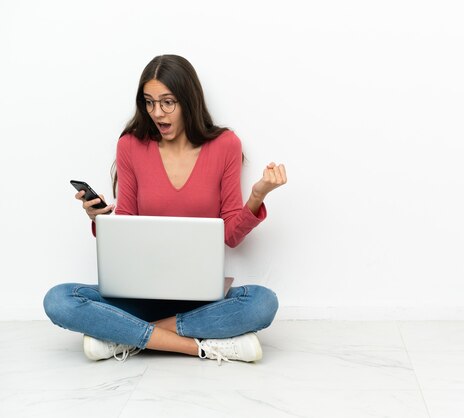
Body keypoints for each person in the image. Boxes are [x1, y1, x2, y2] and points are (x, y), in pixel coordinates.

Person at [43, 55, 286, 364]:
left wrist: (256, 195)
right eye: (149, 102)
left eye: (168, 102)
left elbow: (232, 236)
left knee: (262, 303)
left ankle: (124, 338)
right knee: (60, 300)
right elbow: (127, 226)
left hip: (200, 301)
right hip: (139, 296)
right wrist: (101, 220)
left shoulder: (225, 145)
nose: (157, 113)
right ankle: (201, 346)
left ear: (188, 100)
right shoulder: (131, 145)